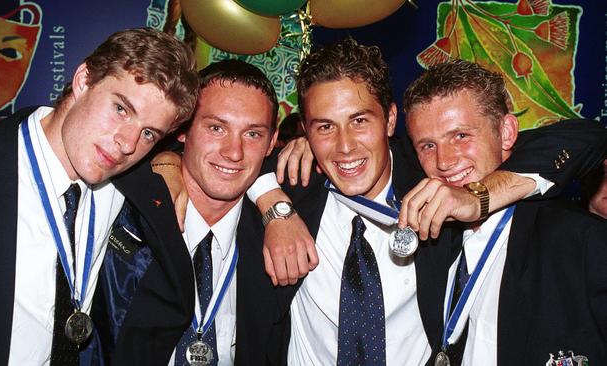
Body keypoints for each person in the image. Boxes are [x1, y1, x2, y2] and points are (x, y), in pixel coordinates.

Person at [256, 38, 607, 365]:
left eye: (359, 120)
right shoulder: (296, 185)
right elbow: (237, 160)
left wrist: (477, 198)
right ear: (306, 130)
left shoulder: (431, 185)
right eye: (325, 127)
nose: (344, 146)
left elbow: (586, 139)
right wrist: (273, 204)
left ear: (390, 120)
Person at [0, 27, 199, 365]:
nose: (128, 143)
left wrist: (269, 197)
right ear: (84, 80)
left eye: (148, 133)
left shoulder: (134, 182)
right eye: (120, 109)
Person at [90, 59, 308, 366]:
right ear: (182, 130)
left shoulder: (281, 229)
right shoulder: (121, 207)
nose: (234, 152)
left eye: (253, 134)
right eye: (216, 128)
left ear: (272, 142)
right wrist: (164, 159)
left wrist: (312, 147)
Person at [403, 59, 607, 365]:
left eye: (461, 136)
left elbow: (589, 136)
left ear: (508, 133)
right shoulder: (431, 237)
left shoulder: (581, 242)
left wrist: (479, 197)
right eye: (428, 146)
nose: (444, 161)